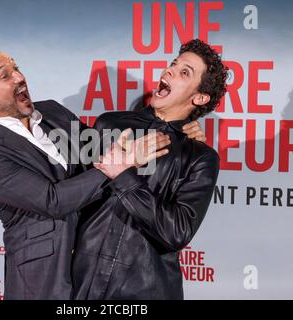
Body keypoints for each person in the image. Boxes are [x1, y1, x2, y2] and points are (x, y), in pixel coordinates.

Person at [0, 48, 201, 299]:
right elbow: (53, 200)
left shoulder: (51, 112)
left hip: (91, 275)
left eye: (16, 68)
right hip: (42, 283)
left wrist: (176, 133)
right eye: (4, 76)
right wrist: (117, 165)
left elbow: (102, 149)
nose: (19, 77)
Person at [72, 39, 228, 300]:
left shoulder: (201, 157)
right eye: (173, 64)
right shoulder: (108, 123)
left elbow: (176, 231)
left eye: (184, 72)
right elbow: (75, 196)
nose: (169, 71)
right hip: (83, 282)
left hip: (147, 290)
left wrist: (123, 175)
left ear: (200, 97)